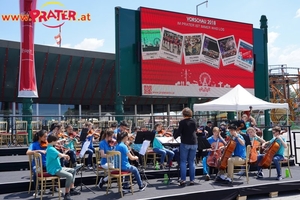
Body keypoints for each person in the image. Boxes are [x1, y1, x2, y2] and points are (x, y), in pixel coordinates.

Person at [46, 134, 81, 200]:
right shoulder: (50, 148)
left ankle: (72, 189)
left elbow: (58, 156)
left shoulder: (52, 147)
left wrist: (64, 154)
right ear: (53, 141)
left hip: (57, 167)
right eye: (56, 141)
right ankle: (67, 194)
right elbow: (59, 154)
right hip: (53, 169)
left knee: (73, 170)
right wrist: (65, 155)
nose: (57, 142)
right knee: (69, 175)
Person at [174, 107, 198, 186]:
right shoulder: (194, 121)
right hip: (194, 142)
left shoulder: (182, 122)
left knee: (183, 161)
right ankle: (192, 180)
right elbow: (195, 130)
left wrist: (173, 137)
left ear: (184, 114)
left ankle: (183, 180)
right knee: (191, 161)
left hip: (185, 142)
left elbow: (179, 132)